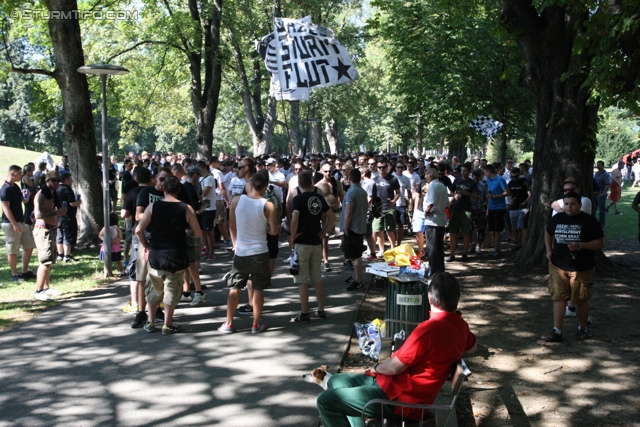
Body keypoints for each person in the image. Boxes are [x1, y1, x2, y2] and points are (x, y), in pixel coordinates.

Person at [316, 272, 477, 426]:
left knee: (325, 401)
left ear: (429, 297)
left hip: (401, 401)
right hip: (397, 388)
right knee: (337, 380)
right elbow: (472, 347)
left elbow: (394, 367)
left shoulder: (429, 330)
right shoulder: (461, 326)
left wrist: (376, 367)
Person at [135, 176, 201, 335]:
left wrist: (146, 246)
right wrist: (185, 232)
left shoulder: (152, 207)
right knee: (171, 289)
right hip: (176, 253)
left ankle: (150, 322)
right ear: (179, 190)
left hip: (156, 253)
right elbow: (197, 233)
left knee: (154, 288)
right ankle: (167, 324)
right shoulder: (186, 208)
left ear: (163, 189)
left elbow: (138, 230)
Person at [218, 169, 280, 334]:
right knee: (258, 287)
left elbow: (232, 225)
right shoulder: (268, 205)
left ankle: (229, 323)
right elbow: (274, 231)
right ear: (266, 187)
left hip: (241, 252)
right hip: (260, 251)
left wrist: (235, 242)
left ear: (251, 183)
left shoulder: (237, 201)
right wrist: (263, 226)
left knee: (234, 287)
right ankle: (255, 323)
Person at [543, 192, 605, 342]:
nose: (569, 207)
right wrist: (549, 250)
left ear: (579, 205)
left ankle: (582, 328)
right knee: (558, 298)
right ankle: (557, 331)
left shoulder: (589, 221)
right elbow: (548, 232)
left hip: (582, 267)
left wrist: (581, 245)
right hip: (558, 266)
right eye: (567, 204)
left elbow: (600, 243)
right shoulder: (558, 218)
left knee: (581, 299)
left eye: (573, 204)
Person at [290, 170, 335, 321]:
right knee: (317, 278)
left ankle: (304, 313)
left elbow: (294, 219)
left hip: (302, 242)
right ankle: (321, 309)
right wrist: (322, 234)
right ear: (311, 182)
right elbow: (331, 217)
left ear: (299, 183)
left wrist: (292, 237)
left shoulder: (298, 199)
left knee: (302, 280)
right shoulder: (318, 197)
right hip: (316, 242)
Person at [33, 170, 67, 301]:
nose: (57, 183)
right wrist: (56, 213)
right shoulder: (41, 195)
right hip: (43, 230)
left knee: (50, 260)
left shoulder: (52, 195)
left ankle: (46, 288)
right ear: (47, 181)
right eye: (54, 180)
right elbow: (38, 215)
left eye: (58, 180)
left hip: (51, 229)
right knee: (45, 261)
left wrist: (57, 213)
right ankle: (38, 290)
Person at [1, 165, 36, 282]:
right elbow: (5, 208)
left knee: (29, 245)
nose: (21, 175)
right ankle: (14, 274)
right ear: (12, 173)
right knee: (13, 249)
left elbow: (24, 201)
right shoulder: (5, 189)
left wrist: (26, 196)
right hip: (11, 223)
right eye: (19, 173)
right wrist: (14, 224)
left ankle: (25, 272)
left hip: (21, 221)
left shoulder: (15, 187)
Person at [342, 169, 369, 291]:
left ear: (349, 178)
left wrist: (346, 227)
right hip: (360, 226)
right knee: (354, 253)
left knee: (356, 256)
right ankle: (355, 277)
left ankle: (358, 281)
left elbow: (349, 212)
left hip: (353, 228)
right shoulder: (363, 192)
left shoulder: (351, 192)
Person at [447, 162, 478, 261]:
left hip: (467, 210)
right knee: (453, 232)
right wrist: (454, 195)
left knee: (466, 233)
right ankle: (452, 254)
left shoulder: (472, 183)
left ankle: (465, 253)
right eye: (462, 171)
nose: (463, 172)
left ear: (469, 171)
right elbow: (451, 190)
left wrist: (468, 194)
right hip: (455, 209)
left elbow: (477, 197)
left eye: (465, 171)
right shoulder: (457, 180)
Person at [423, 168, 448, 277]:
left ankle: (433, 271)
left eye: (426, 175)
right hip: (441, 220)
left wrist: (426, 212)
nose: (425, 176)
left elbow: (431, 202)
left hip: (433, 220)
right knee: (439, 247)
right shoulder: (442, 186)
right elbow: (447, 203)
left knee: (432, 247)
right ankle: (440, 270)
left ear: (431, 176)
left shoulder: (432, 186)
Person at [373, 159, 400, 255]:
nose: (381, 169)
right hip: (378, 209)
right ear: (377, 168)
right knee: (379, 230)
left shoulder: (393, 179)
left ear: (387, 167)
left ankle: (393, 249)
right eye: (379, 167)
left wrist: (394, 201)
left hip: (389, 208)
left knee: (390, 230)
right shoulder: (374, 180)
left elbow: (398, 193)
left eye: (383, 167)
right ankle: (381, 250)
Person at [484, 164, 510, 257]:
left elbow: (507, 192)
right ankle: (496, 247)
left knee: (497, 229)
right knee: (492, 229)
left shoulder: (500, 180)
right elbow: (489, 193)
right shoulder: (488, 181)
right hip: (491, 208)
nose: (484, 174)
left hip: (499, 207)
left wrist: (495, 196)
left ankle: (497, 249)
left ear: (489, 171)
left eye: (485, 172)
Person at [55, 171, 81, 263]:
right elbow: (72, 203)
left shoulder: (56, 188)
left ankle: (60, 254)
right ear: (66, 180)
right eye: (70, 179)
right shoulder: (67, 189)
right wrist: (79, 202)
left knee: (60, 235)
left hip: (58, 216)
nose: (72, 181)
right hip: (68, 216)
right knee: (68, 236)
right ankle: (67, 255)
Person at [592, 160, 610, 228]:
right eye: (597, 164)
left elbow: (607, 184)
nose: (597, 166)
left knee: (601, 210)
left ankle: (602, 224)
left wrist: (604, 193)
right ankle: (593, 223)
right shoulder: (596, 174)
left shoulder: (606, 174)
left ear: (602, 166)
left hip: (601, 194)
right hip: (595, 194)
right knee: (594, 209)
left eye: (599, 165)